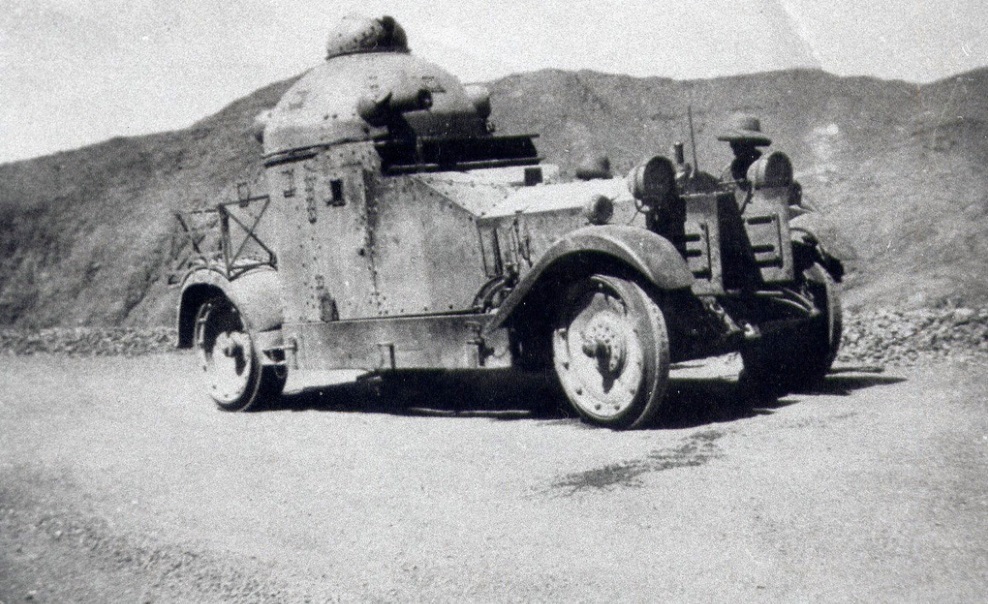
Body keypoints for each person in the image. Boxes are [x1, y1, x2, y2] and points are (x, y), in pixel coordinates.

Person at [717, 115, 772, 188]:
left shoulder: (768, 167)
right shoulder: (727, 173)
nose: (733, 147)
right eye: (732, 143)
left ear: (751, 144)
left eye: (738, 144)